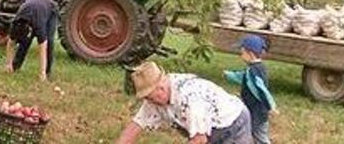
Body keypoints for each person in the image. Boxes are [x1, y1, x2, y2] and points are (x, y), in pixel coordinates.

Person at [117, 61, 252, 144]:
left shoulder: (190, 98)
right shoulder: (154, 99)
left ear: (161, 87)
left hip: (233, 123)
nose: (149, 103)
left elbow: (200, 140)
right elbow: (134, 127)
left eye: (151, 98)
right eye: (146, 99)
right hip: (205, 129)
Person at [223, 35, 277, 144]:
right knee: (252, 133)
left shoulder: (254, 71)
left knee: (260, 137)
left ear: (250, 54)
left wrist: (271, 106)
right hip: (253, 109)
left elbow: (262, 90)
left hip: (257, 112)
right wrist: (229, 75)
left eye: (242, 52)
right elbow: (243, 77)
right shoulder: (255, 68)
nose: (240, 55)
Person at [4, 0, 59, 82]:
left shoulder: (39, 25)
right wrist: (8, 64)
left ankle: (47, 73)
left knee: (49, 42)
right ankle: (15, 67)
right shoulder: (15, 24)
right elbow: (10, 44)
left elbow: (42, 48)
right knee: (24, 42)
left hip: (50, 9)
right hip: (33, 9)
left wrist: (42, 73)